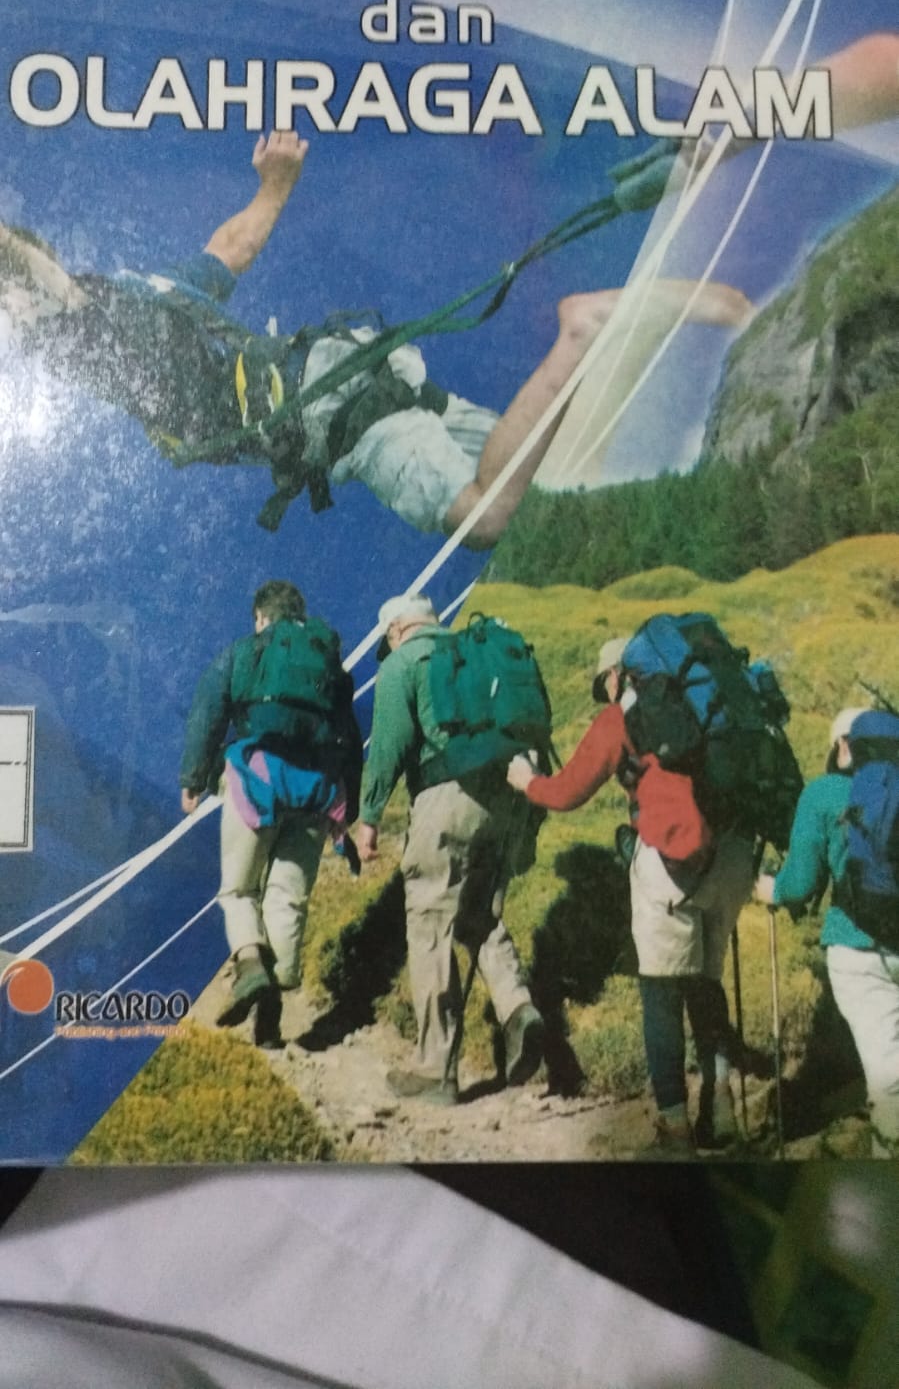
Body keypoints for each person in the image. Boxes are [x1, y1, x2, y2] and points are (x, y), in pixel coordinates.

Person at [0, 131, 750, 545]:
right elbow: (231, 248)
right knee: (547, 478)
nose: (10, 319)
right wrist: (276, 186)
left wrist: (18, 273)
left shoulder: (81, 325)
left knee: (484, 515)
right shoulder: (150, 289)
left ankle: (582, 332)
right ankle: (661, 245)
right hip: (356, 368)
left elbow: (41, 280)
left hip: (334, 412)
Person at [507, 637, 755, 1155]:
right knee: (706, 983)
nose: (608, 695)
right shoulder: (705, 704)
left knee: (661, 991)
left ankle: (674, 1129)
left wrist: (527, 781)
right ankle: (722, 1112)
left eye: (606, 686)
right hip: (732, 855)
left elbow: (567, 792)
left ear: (618, 675)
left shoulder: (622, 717)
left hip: (671, 862)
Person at [355, 591, 545, 1104]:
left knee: (431, 922)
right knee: (479, 914)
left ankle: (436, 1070)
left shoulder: (403, 662)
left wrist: (369, 818)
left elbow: (389, 746)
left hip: (447, 797)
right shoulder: (472, 651)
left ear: (396, 630)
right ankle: (518, 1009)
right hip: (509, 794)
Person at [179, 578, 362, 1046]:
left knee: (238, 890)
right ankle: (272, 1013)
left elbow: (208, 712)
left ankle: (250, 965)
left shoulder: (245, 652)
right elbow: (349, 736)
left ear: (261, 617)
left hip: (257, 782)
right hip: (317, 791)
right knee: (286, 896)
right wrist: (352, 808)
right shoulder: (327, 661)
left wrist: (193, 779)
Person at [754, 707, 899, 1158]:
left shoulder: (822, 795)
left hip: (858, 951)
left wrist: (771, 889)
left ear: (842, 747)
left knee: (889, 1079)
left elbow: (799, 884)